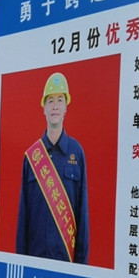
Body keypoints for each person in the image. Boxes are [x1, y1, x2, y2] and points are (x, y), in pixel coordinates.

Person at [16, 72, 89, 264]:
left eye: (60, 100)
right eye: (50, 101)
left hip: (66, 259)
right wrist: (21, 260)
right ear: (44, 108)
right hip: (35, 257)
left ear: (65, 108)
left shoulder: (76, 152)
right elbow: (23, 215)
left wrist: (81, 266)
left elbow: (82, 213)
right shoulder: (32, 156)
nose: (55, 106)